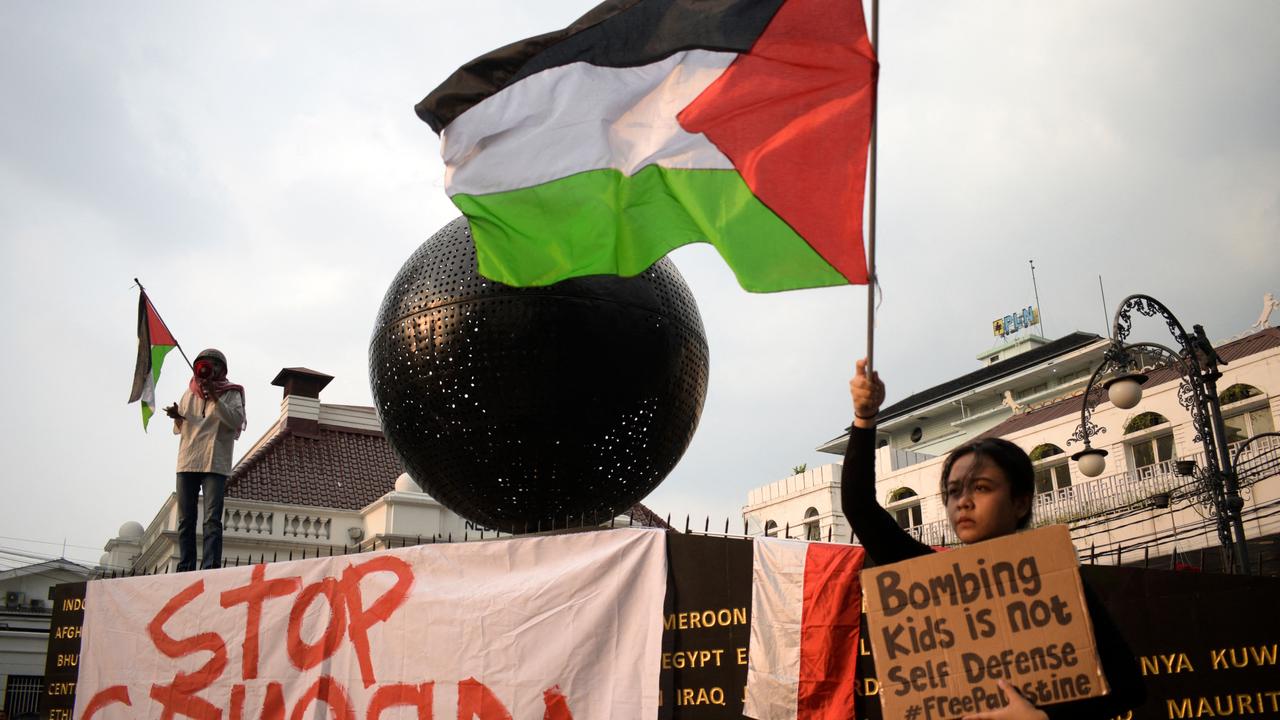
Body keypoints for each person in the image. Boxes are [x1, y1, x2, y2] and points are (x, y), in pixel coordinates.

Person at [842, 358, 1141, 720]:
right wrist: (864, 418)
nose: (963, 501)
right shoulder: (928, 579)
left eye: (981, 488)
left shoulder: (1057, 579)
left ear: (1020, 501)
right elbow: (858, 506)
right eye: (953, 491)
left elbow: (1128, 687)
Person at [163, 348, 245, 572]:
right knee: (185, 519)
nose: (208, 369)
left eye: (213, 364)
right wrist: (177, 416)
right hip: (189, 458)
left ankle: (210, 566)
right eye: (204, 364)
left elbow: (236, 420)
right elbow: (180, 428)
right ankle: (185, 566)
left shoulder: (231, 392)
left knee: (211, 519)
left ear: (221, 369)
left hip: (214, 460)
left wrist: (215, 396)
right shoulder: (190, 392)